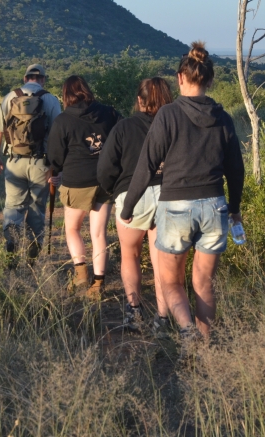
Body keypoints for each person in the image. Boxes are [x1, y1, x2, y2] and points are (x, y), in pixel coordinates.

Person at [120, 42, 245, 340]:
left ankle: (187, 330)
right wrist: (235, 209)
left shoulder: (168, 115)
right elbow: (236, 170)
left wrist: (128, 208)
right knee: (204, 285)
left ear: (180, 78)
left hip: (176, 207)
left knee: (171, 282)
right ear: (210, 81)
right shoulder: (223, 118)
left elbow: (146, 166)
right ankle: (203, 351)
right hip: (215, 206)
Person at [97, 78, 172, 333]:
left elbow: (105, 168)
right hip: (168, 195)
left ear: (140, 101)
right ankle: (163, 318)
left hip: (132, 196)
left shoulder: (123, 127)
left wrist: (113, 190)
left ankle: (133, 313)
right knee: (160, 259)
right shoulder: (174, 125)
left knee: (130, 255)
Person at [48, 76, 122, 299]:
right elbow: (122, 140)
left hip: (76, 182)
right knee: (98, 233)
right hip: (105, 180)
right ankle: (98, 284)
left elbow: (55, 157)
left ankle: (81, 274)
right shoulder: (109, 113)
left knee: (72, 229)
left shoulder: (63, 120)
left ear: (66, 95)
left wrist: (55, 171)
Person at [0, 64, 62, 265]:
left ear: (25, 78)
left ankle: (12, 245)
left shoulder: (9, 97)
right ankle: (33, 252)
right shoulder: (50, 99)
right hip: (42, 163)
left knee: (13, 206)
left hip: (14, 162)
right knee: (37, 207)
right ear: (43, 80)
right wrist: (57, 165)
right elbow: (58, 135)